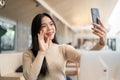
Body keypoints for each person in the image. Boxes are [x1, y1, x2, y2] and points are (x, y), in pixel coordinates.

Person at [23, 13, 106, 80]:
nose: (49, 28)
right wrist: (41, 52)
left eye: (51, 24)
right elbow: (30, 78)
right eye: (44, 26)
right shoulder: (28, 54)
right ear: (37, 31)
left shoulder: (62, 49)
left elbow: (85, 58)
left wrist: (101, 44)